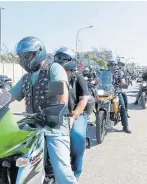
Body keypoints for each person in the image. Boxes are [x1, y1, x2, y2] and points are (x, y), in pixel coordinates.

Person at [9, 37, 77, 184]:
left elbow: (61, 95)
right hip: (32, 126)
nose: (23, 60)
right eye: (21, 56)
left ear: (38, 53)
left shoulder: (54, 69)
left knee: (62, 170)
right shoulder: (26, 77)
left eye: (27, 55)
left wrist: (55, 109)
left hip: (54, 125)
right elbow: (9, 96)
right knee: (11, 158)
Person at [53, 47, 89, 181]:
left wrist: (74, 116)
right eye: (58, 58)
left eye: (63, 59)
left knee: (77, 136)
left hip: (76, 114)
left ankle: (75, 173)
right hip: (57, 115)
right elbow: (53, 98)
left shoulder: (77, 78)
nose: (60, 61)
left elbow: (83, 99)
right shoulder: (55, 77)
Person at [108, 60, 131, 133]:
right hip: (106, 92)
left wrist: (123, 83)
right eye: (110, 65)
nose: (111, 66)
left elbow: (123, 80)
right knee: (97, 102)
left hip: (116, 92)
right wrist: (92, 82)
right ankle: (100, 118)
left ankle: (125, 126)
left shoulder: (119, 73)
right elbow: (98, 79)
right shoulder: (104, 72)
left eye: (113, 65)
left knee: (122, 107)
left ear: (115, 65)